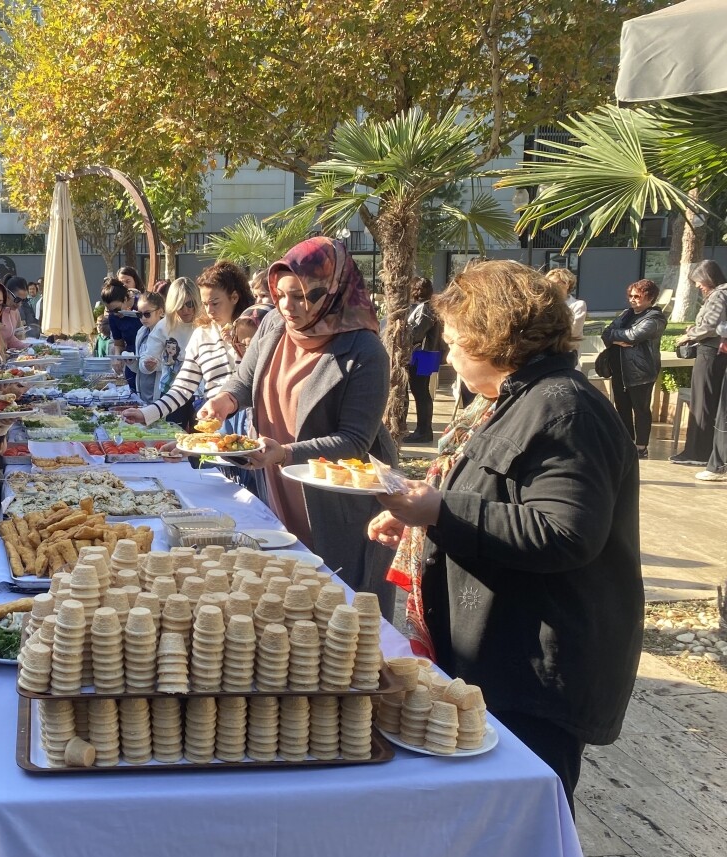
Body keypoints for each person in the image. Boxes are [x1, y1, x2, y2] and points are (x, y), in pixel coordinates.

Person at [367, 260, 642, 811]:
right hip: (498, 655)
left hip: (535, 671)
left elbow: (565, 531)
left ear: (491, 337)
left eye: (453, 341)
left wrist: (441, 509)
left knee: (517, 817)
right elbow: (496, 492)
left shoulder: (565, 409)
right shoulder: (516, 399)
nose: (446, 355)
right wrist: (423, 512)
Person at [200, 239, 396, 612]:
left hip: (336, 505)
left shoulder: (364, 351)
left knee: (339, 605)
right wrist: (224, 401)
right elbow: (245, 379)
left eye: (303, 296)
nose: (289, 307)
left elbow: (355, 440)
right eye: (282, 295)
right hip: (275, 481)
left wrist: (286, 453)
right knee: (285, 599)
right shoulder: (273, 324)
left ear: (335, 289)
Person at [119, 261, 253, 429]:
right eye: (205, 304)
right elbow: (182, 387)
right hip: (217, 422)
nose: (209, 310)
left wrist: (238, 346)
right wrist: (147, 414)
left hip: (253, 420)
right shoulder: (201, 334)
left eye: (215, 303)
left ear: (234, 297)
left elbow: (253, 379)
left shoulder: (254, 329)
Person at [601, 278, 667, 459]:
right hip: (620, 369)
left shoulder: (655, 317)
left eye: (637, 296)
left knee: (641, 409)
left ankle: (641, 446)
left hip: (641, 371)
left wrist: (618, 337)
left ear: (650, 297)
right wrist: (617, 339)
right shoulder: (627, 314)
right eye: (630, 296)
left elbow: (634, 335)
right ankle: (626, 442)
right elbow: (605, 333)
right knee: (622, 407)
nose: (632, 299)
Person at [672, 260, 727, 467]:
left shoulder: (718, 295)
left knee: (702, 402)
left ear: (708, 277)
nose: (697, 285)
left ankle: (697, 452)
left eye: (698, 281)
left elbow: (711, 326)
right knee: (709, 402)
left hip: (710, 353)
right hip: (718, 352)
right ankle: (704, 451)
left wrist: (689, 335)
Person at [403, 277, 443, 443]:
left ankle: (424, 431)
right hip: (426, 355)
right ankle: (423, 430)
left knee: (421, 393)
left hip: (422, 355)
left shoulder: (425, 309)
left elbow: (417, 334)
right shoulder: (427, 307)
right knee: (422, 393)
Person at [129, 290, 168, 403]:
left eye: (147, 314)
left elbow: (173, 364)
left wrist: (154, 366)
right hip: (142, 391)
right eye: (139, 314)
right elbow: (139, 366)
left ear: (161, 312)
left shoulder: (166, 333)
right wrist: (131, 362)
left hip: (159, 392)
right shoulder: (141, 332)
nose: (143, 318)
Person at [546, 267, 588, 346]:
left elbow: (574, 332)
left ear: (567, 284)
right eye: (549, 283)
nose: (552, 287)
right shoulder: (545, 305)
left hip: (567, 351)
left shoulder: (578, 305)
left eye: (556, 283)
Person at [5, 275, 39, 339]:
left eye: (23, 300)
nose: (19, 304)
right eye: (17, 300)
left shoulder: (15, 312)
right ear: (7, 293)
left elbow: (21, 337)